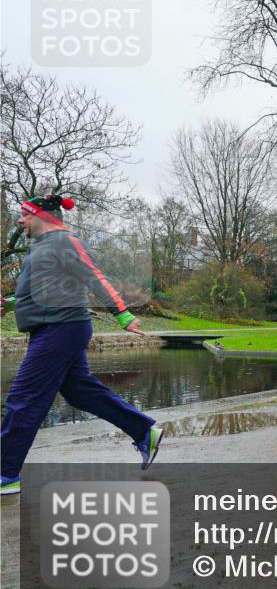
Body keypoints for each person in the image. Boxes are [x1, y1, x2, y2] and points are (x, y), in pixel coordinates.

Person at [1, 194, 163, 496]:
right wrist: (10, 304)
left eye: (25, 214)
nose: (20, 221)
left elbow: (94, 276)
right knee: (79, 391)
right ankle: (144, 430)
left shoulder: (65, 241)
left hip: (60, 329)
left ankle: (5, 473)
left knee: (23, 399)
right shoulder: (41, 247)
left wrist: (123, 314)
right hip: (54, 328)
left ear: (41, 216)